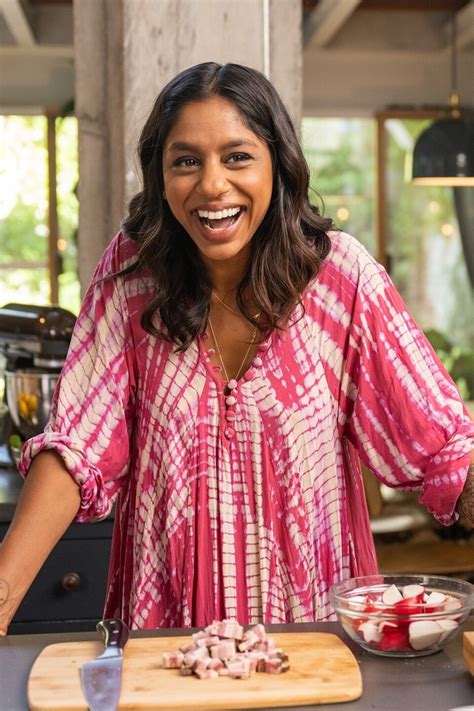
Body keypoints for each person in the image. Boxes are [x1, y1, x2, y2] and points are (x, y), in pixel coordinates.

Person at [0, 62, 472, 635]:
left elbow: (448, 449)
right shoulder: (129, 280)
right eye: (186, 161)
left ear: (278, 161)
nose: (212, 185)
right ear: (160, 173)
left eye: (237, 156)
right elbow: (77, 448)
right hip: (163, 643)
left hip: (312, 644)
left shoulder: (341, 283)